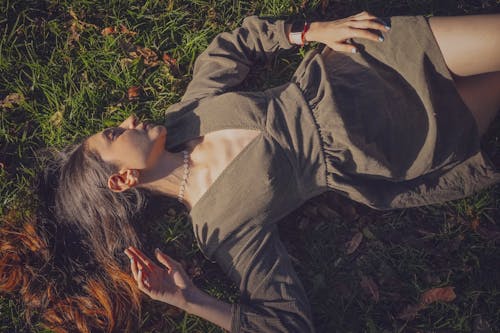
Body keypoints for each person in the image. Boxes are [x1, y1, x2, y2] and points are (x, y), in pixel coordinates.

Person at [1, 11, 499, 333]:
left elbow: (231, 45)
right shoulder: (220, 225)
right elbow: (287, 323)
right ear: (121, 180)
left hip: (363, 65)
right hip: (396, 143)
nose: (128, 120)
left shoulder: (187, 113)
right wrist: (191, 299)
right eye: (115, 134)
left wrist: (310, 32)